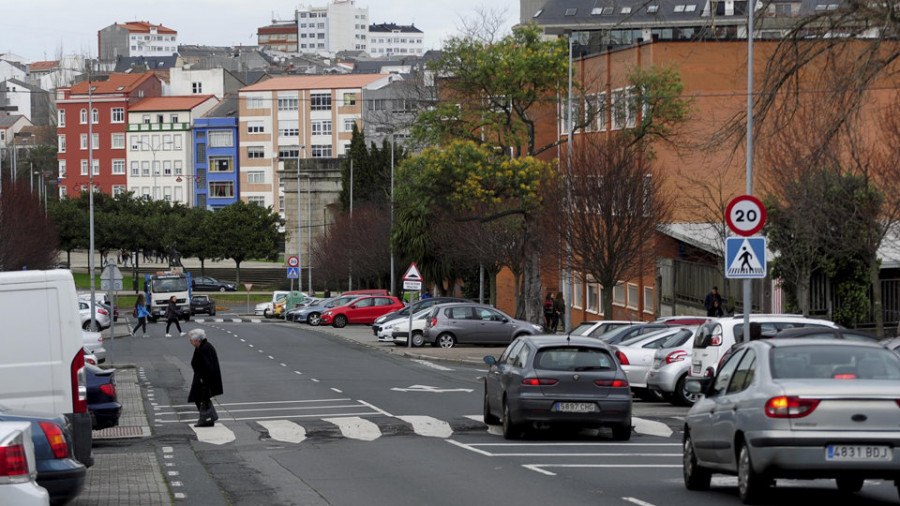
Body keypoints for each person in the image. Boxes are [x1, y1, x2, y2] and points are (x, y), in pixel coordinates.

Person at [187, 329, 223, 428]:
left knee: (200, 399)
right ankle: (208, 418)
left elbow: (207, 365)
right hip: (203, 378)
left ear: (197, 340)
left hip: (204, 379)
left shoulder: (204, 348)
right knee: (203, 399)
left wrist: (203, 379)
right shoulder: (202, 346)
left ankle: (205, 419)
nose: (190, 342)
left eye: (191, 340)